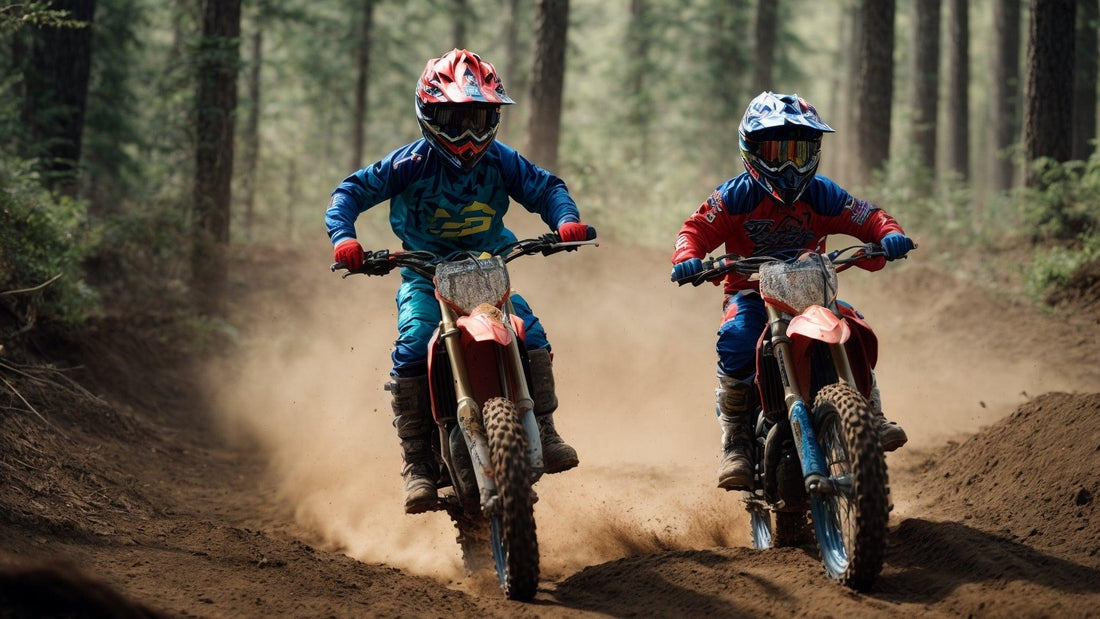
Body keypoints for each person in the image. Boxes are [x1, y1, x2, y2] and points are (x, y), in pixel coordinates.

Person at [324, 49, 595, 513]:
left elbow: (547, 187)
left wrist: (566, 219)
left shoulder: (501, 160)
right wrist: (344, 238)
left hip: (490, 267)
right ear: (429, 114)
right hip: (425, 275)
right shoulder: (408, 163)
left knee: (532, 332)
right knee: (411, 348)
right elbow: (350, 191)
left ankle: (545, 430)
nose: (468, 133)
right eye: (454, 118)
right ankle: (417, 465)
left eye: (480, 117)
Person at [669, 91, 914, 491]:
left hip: (812, 292)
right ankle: (737, 442)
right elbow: (694, 229)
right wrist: (688, 258)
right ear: (752, 151)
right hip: (751, 294)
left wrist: (889, 234)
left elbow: (867, 215)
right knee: (735, 339)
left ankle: (869, 411)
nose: (788, 164)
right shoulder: (736, 196)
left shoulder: (821, 193)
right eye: (778, 151)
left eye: (799, 152)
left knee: (852, 324)